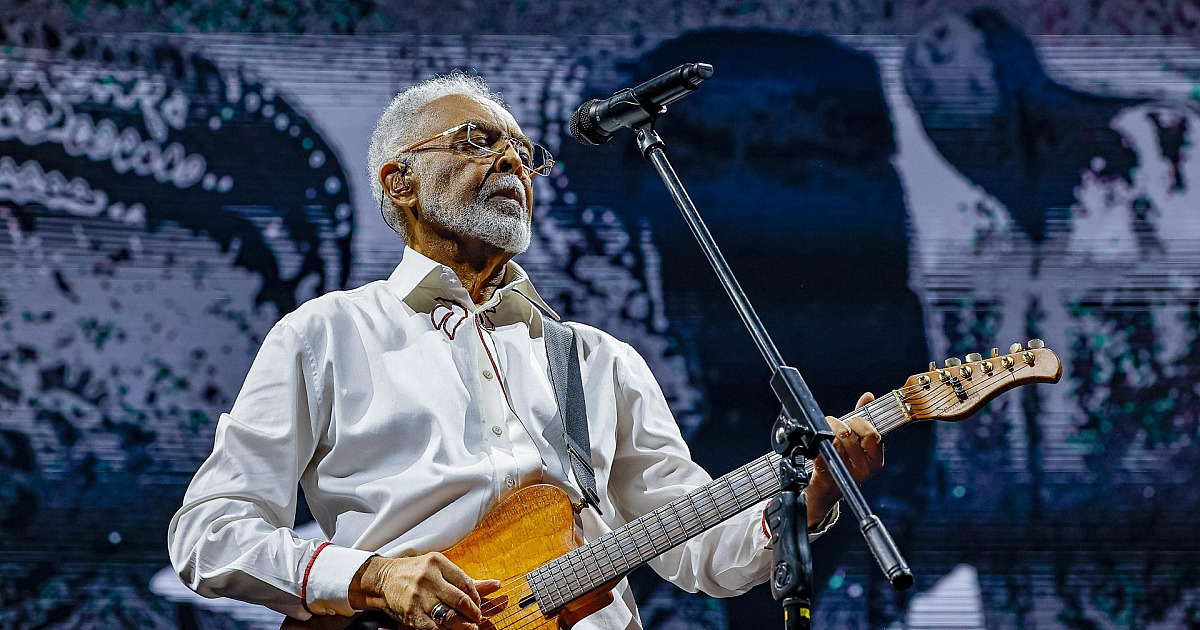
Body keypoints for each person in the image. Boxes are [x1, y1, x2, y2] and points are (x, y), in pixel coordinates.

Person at [167, 72, 884, 630]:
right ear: (399, 181)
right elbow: (209, 533)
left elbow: (701, 549)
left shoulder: (599, 361)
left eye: (523, 152)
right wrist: (370, 577)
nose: (512, 158)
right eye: (477, 141)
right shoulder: (326, 334)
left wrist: (815, 492)